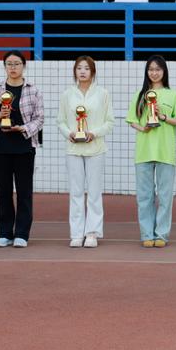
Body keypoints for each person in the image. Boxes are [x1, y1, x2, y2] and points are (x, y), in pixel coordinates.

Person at [0, 50, 44, 248]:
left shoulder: (33, 90)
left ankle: (21, 234)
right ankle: (4, 233)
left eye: (17, 63)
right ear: (4, 67)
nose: (13, 67)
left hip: (24, 146)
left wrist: (23, 128)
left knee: (24, 192)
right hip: (0, 147)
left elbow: (40, 118)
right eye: (9, 64)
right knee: (3, 192)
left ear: (23, 66)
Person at [127, 56, 176, 247]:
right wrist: (143, 128)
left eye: (158, 69)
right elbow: (132, 120)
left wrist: (163, 117)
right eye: (151, 69)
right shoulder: (140, 95)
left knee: (165, 196)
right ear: (147, 72)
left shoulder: (173, 95)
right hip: (144, 152)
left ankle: (161, 234)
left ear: (164, 72)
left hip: (165, 152)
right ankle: (147, 234)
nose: (154, 73)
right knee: (144, 196)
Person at [57, 56, 114, 249]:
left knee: (94, 192)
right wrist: (69, 134)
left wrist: (94, 133)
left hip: (96, 149)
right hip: (73, 149)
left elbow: (110, 121)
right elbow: (60, 121)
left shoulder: (102, 93)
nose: (82, 71)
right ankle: (76, 233)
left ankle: (92, 233)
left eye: (87, 68)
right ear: (74, 71)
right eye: (79, 68)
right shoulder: (67, 94)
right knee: (76, 192)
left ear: (93, 72)